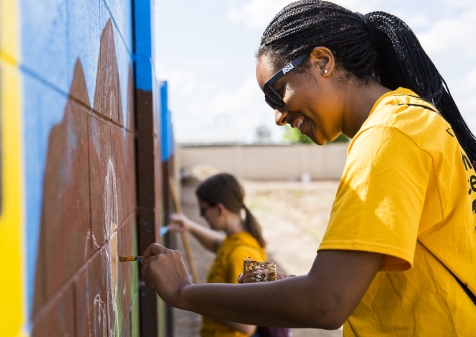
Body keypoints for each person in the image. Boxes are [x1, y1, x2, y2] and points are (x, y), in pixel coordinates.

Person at [141, 1, 476, 336]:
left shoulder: (389, 135)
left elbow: (326, 302)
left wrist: (182, 291)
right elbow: (359, 283)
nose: (278, 116)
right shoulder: (412, 119)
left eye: (276, 93)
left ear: (322, 62)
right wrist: (290, 289)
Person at [169, 173, 289, 337]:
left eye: (203, 209)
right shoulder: (241, 241)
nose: (201, 215)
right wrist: (190, 226)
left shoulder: (242, 253)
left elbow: (248, 325)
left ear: (219, 209)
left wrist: (197, 301)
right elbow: (217, 244)